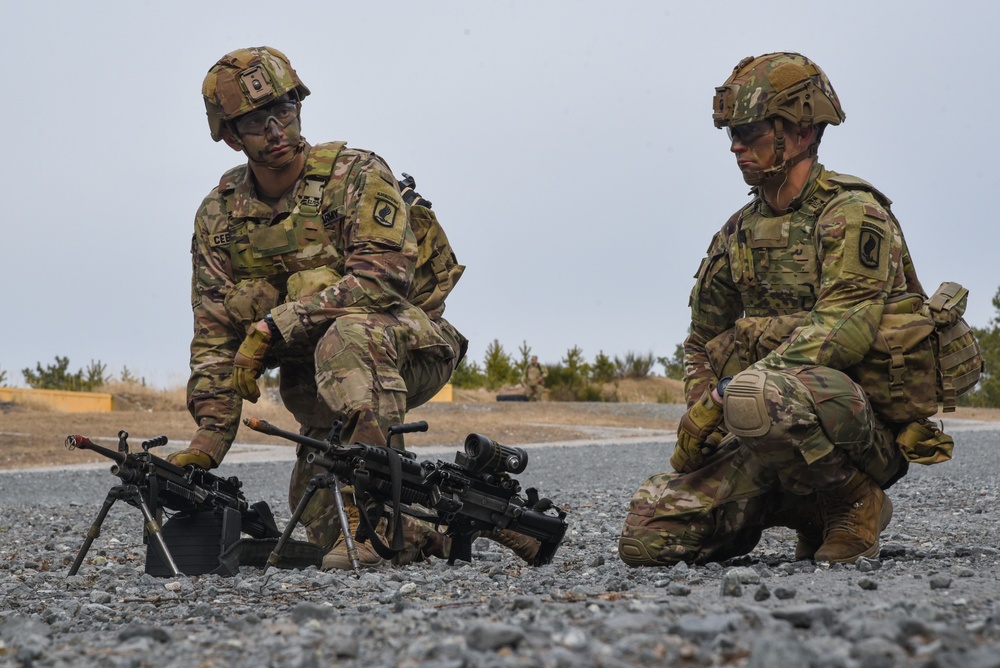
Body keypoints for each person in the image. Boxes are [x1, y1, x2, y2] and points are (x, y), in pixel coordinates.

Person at [168, 46, 538, 570]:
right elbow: (213, 332)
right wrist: (207, 440)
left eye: (285, 110)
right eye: (256, 120)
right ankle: (470, 524)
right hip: (320, 386)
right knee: (316, 525)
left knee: (349, 335)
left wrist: (279, 323)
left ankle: (374, 523)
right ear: (230, 135)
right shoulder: (219, 216)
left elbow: (382, 278)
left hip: (406, 342)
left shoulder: (356, 174)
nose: (276, 129)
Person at [619, 52, 960, 567]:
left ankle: (852, 503)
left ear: (801, 133)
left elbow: (841, 331)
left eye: (751, 131)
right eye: (731, 133)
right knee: (647, 538)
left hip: (855, 428)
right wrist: (702, 413)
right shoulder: (737, 233)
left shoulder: (852, 214)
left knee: (757, 393)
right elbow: (700, 341)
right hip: (761, 427)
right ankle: (798, 510)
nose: (736, 146)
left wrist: (727, 395)